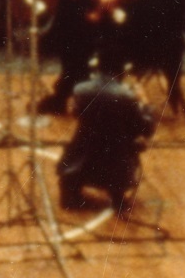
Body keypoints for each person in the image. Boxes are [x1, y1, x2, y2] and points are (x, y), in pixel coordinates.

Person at [56, 69, 153, 215]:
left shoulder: (81, 90)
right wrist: (144, 102)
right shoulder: (127, 96)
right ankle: (117, 194)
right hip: (116, 158)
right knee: (131, 142)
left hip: (82, 155)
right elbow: (146, 129)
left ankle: (71, 190)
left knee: (79, 143)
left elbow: (74, 112)